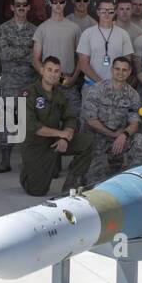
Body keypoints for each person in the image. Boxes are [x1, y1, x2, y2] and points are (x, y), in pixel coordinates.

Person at [19, 56, 93, 196]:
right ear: (42, 71)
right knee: (37, 191)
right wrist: (60, 134)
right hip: (36, 146)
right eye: (49, 70)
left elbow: (70, 118)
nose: (53, 74)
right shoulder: (28, 93)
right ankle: (27, 174)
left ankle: (71, 184)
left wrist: (65, 137)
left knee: (88, 142)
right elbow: (31, 126)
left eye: (56, 71)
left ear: (60, 74)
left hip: (55, 141)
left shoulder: (60, 94)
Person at [82, 56, 142, 181]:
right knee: (95, 180)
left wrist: (123, 135)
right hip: (97, 137)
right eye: (117, 69)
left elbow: (135, 122)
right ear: (112, 70)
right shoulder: (97, 89)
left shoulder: (133, 95)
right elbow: (91, 121)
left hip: (119, 138)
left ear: (129, 72)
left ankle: (132, 179)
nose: (120, 73)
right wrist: (113, 134)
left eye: (124, 70)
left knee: (140, 139)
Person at [0, 0, 38, 173]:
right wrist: (26, 53)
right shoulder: (4, 29)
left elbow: (36, 56)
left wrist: (19, 53)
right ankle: (5, 160)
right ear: (12, 7)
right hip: (10, 82)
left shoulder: (36, 31)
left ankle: (29, 160)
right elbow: (4, 55)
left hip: (29, 82)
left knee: (29, 121)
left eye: (24, 4)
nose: (21, 7)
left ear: (28, 7)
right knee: (6, 121)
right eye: (17, 4)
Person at [32, 0, 83, 120]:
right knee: (47, 121)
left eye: (61, 1)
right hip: (48, 85)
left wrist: (73, 79)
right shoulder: (42, 28)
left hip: (68, 84)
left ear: (65, 3)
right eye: (55, 2)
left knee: (72, 121)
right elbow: (35, 58)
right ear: (50, 3)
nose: (58, 5)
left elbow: (81, 58)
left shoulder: (74, 28)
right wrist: (47, 76)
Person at [76, 0, 134, 85]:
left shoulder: (123, 34)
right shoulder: (87, 33)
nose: (107, 14)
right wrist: (100, 82)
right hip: (92, 84)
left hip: (116, 85)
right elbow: (83, 63)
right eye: (103, 11)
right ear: (98, 12)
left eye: (110, 11)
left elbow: (127, 62)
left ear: (114, 13)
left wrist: (117, 82)